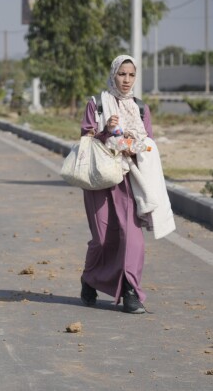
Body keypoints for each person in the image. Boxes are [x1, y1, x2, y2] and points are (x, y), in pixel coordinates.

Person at [79, 54, 173, 315]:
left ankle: (132, 291)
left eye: (131, 75)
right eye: (122, 74)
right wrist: (106, 131)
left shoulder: (140, 108)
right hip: (99, 179)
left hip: (129, 179)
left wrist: (137, 147)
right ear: (113, 75)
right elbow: (86, 137)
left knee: (133, 238)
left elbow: (150, 144)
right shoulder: (97, 103)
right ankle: (89, 278)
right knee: (102, 239)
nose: (127, 80)